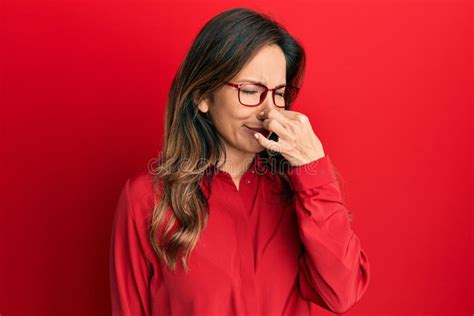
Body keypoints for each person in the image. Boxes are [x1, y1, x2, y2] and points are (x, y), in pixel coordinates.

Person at [109, 7, 370, 316]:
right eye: (250, 91)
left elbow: (342, 293)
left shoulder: (299, 194)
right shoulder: (147, 200)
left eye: (279, 93)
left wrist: (313, 170)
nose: (268, 111)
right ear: (203, 96)